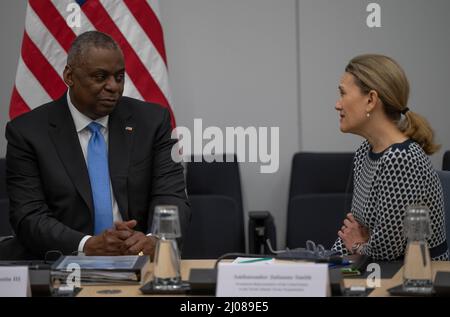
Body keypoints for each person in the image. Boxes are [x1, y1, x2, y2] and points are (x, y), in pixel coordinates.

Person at [2, 31, 190, 260]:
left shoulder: (151, 122)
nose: (113, 87)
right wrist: (86, 245)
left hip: (136, 261)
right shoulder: (28, 132)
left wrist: (154, 239)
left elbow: (172, 197)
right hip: (61, 265)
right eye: (100, 77)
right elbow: (28, 216)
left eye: (119, 77)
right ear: (69, 76)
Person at [332, 54, 448, 261]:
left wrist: (359, 244)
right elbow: (353, 231)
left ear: (371, 100)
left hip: (416, 279)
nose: (337, 105)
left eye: (343, 94)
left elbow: (385, 250)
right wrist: (323, 263)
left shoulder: (400, 159)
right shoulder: (364, 152)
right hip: (378, 270)